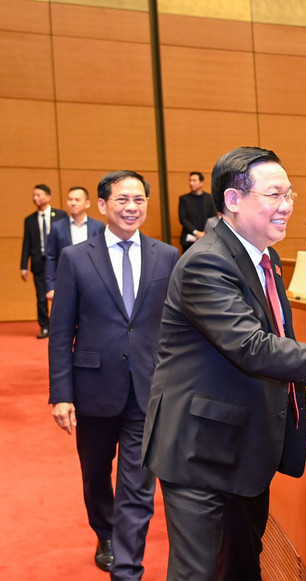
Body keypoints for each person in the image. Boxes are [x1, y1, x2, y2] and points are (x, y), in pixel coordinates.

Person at [141, 146, 306, 581]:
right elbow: (253, 347)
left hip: (241, 447)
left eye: (290, 195)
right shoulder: (207, 262)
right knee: (201, 572)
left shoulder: (260, 259)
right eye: (274, 195)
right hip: (201, 451)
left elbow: (275, 344)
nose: (287, 206)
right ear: (233, 200)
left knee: (243, 565)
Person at [48, 170, 180, 579]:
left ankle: (126, 568)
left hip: (148, 388)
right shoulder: (76, 257)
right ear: (103, 205)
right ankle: (104, 531)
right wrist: (61, 394)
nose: (131, 207)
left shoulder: (166, 256)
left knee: (139, 486)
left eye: (139, 200)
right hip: (93, 388)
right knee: (95, 474)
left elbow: (174, 324)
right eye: (123, 199)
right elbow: (61, 331)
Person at [20, 184, 67, 338]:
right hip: (39, 262)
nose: (35, 198)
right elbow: (26, 243)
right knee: (41, 297)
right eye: (34, 195)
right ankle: (45, 326)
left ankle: (61, 326)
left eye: (39, 195)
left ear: (48, 196)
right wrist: (23, 266)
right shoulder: (29, 220)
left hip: (59, 262)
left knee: (62, 295)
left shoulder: (61, 216)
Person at [45, 186, 105, 299]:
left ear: (87, 203)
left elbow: (104, 256)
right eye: (70, 199)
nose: (72, 203)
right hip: (66, 280)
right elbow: (51, 257)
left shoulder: (98, 227)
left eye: (77, 200)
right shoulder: (57, 227)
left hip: (93, 281)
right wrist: (50, 286)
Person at [178, 171, 215, 253]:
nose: (191, 183)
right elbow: (183, 219)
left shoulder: (210, 198)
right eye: (190, 180)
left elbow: (213, 218)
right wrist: (196, 232)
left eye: (194, 180)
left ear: (201, 183)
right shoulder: (184, 199)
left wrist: (205, 233)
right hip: (189, 240)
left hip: (207, 239)